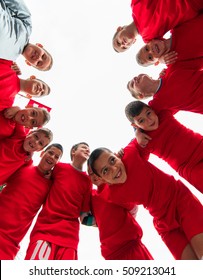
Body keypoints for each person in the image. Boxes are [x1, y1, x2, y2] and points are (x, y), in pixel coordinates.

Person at [88, 142, 203, 260]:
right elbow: (91, 210)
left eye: (112, 160)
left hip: (181, 201)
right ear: (101, 179)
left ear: (117, 156)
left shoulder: (130, 154)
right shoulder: (112, 195)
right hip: (164, 223)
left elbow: (144, 134)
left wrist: (137, 133)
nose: (114, 168)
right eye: (105, 170)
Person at [24, 142, 92, 260]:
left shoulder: (87, 181)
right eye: (84, 147)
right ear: (73, 151)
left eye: (89, 149)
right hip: (45, 230)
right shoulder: (59, 168)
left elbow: (84, 214)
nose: (87, 150)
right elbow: (43, 177)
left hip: (70, 238)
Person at [0, 143, 63, 260]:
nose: (52, 157)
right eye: (50, 153)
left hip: (9, 243)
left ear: (57, 163)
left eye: (56, 157)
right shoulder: (23, 166)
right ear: (42, 153)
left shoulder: (51, 187)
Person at [125, 100, 203, 194]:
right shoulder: (143, 140)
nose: (149, 120)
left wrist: (136, 131)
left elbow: (170, 96)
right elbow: (134, 160)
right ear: (135, 125)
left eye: (148, 113)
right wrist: (123, 150)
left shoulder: (163, 112)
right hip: (188, 168)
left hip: (199, 145)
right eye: (141, 121)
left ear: (153, 109)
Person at [87, 166, 154, 260]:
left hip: (131, 246)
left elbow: (133, 207)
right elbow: (85, 218)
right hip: (111, 254)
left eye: (95, 170)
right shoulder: (92, 197)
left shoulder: (114, 189)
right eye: (90, 173)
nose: (94, 175)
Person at [112, 0, 203, 52]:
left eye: (118, 42)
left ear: (119, 29)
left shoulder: (135, 4)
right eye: (125, 47)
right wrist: (161, 60)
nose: (123, 44)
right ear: (133, 42)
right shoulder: (150, 41)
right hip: (194, 5)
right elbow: (169, 47)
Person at [127, 67, 203, 116]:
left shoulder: (169, 71)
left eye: (136, 76)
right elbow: (141, 122)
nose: (134, 78)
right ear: (141, 95)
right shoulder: (157, 104)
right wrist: (137, 131)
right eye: (132, 84)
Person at [0, 0, 53, 71]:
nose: (38, 58)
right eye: (43, 56)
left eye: (38, 63)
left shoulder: (7, 60)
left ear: (28, 63)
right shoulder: (27, 27)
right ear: (40, 45)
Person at [135, 13, 203, 67]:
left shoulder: (175, 27)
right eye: (150, 57)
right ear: (157, 62)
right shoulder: (176, 60)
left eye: (146, 48)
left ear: (150, 41)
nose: (151, 51)